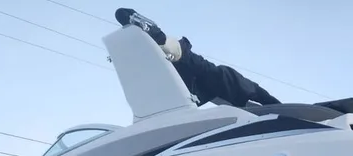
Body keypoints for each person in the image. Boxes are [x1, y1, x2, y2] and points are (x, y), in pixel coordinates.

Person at [115, 8, 281, 108]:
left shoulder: (170, 49)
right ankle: (263, 104)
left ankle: (272, 105)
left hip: (196, 81)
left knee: (235, 82)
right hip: (193, 84)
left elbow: (166, 44)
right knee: (231, 80)